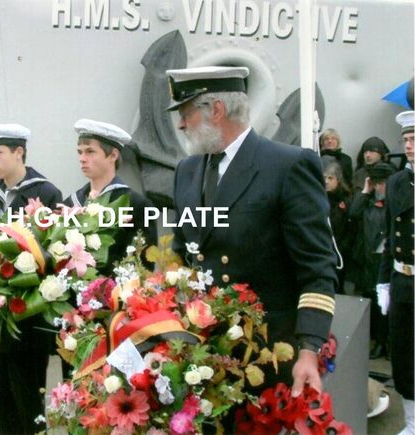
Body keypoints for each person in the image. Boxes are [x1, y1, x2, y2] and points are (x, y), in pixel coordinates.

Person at [167, 66, 338, 396]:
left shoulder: (286, 166)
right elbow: (182, 253)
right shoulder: (187, 170)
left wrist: (308, 349)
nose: (181, 124)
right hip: (202, 356)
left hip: (265, 358)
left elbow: (317, 268)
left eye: (186, 113)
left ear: (216, 110)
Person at [0, 124, 62, 434]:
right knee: (1, 394)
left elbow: (55, 252)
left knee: (28, 397)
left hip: (29, 313)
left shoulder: (46, 193)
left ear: (19, 152)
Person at [63, 119, 158, 272]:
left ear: (113, 155)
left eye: (90, 151)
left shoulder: (137, 205)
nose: (82, 158)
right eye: (80, 152)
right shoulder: (71, 203)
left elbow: (143, 267)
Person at [377, 110, 414, 435]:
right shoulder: (397, 182)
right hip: (403, 279)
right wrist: (383, 282)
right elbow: (389, 237)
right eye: (405, 139)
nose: (409, 145)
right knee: (404, 356)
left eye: (414, 139)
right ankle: (412, 421)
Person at [349, 162, 395, 359]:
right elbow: (353, 213)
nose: (379, 188)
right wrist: (365, 191)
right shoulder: (368, 202)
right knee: (376, 306)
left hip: (387, 262)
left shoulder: (395, 203)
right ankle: (379, 341)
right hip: (369, 262)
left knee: (390, 306)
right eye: (376, 183)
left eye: (382, 183)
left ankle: (390, 344)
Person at [323, 162, 354, 294]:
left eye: (330, 178)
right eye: (324, 177)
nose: (326, 181)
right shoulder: (318, 198)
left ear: (338, 180)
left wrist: (343, 248)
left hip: (340, 250)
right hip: (323, 249)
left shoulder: (346, 199)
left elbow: (352, 227)